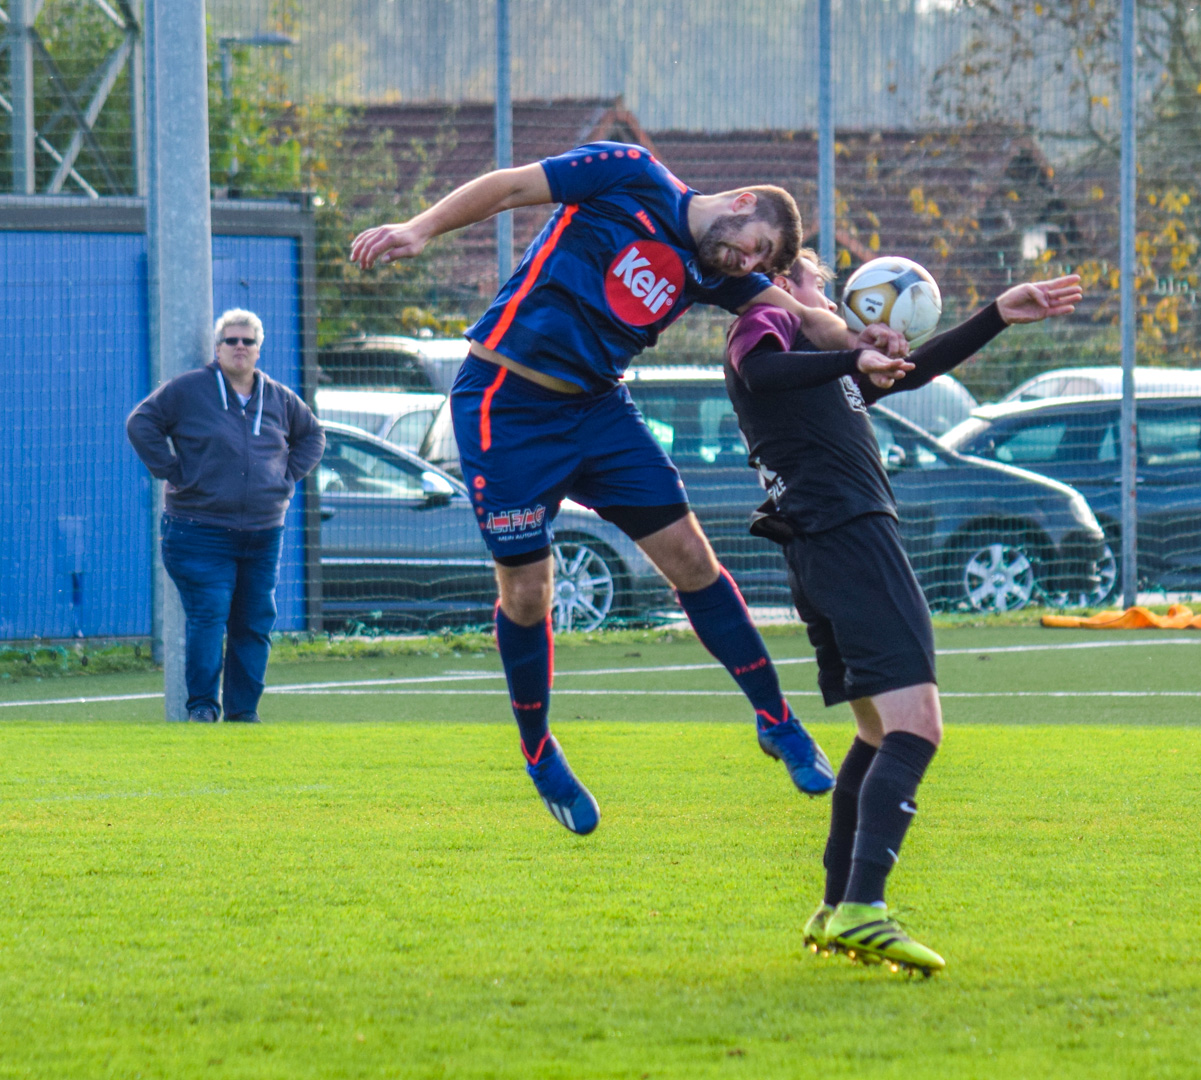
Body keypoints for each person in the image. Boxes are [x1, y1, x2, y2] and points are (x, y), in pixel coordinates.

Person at [350, 142, 910, 835]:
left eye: (760, 263)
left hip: (598, 411)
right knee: (527, 594)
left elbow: (808, 318)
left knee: (692, 558)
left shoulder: (715, 272)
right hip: (505, 403)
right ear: (741, 204)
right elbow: (510, 187)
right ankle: (539, 751)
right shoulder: (632, 172)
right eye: (755, 247)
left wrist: (862, 344)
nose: (747, 265)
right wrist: (420, 228)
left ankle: (777, 720)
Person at [725, 251, 1082, 972]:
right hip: (849, 538)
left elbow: (906, 373)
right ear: (783, 284)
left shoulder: (815, 360)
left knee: (877, 733)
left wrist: (996, 316)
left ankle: (837, 906)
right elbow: (759, 369)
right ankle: (865, 908)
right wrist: (847, 352)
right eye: (820, 286)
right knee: (917, 727)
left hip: (824, 544)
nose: (832, 302)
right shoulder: (769, 321)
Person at [126, 310, 325, 724]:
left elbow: (313, 435)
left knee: (254, 622)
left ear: (258, 349)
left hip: (263, 532)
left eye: (248, 341)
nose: (239, 347)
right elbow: (141, 423)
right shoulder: (189, 389)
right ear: (217, 348)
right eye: (231, 340)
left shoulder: (280, 397)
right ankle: (202, 705)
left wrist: (286, 477)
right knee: (210, 613)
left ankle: (243, 712)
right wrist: (172, 470)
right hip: (199, 530)